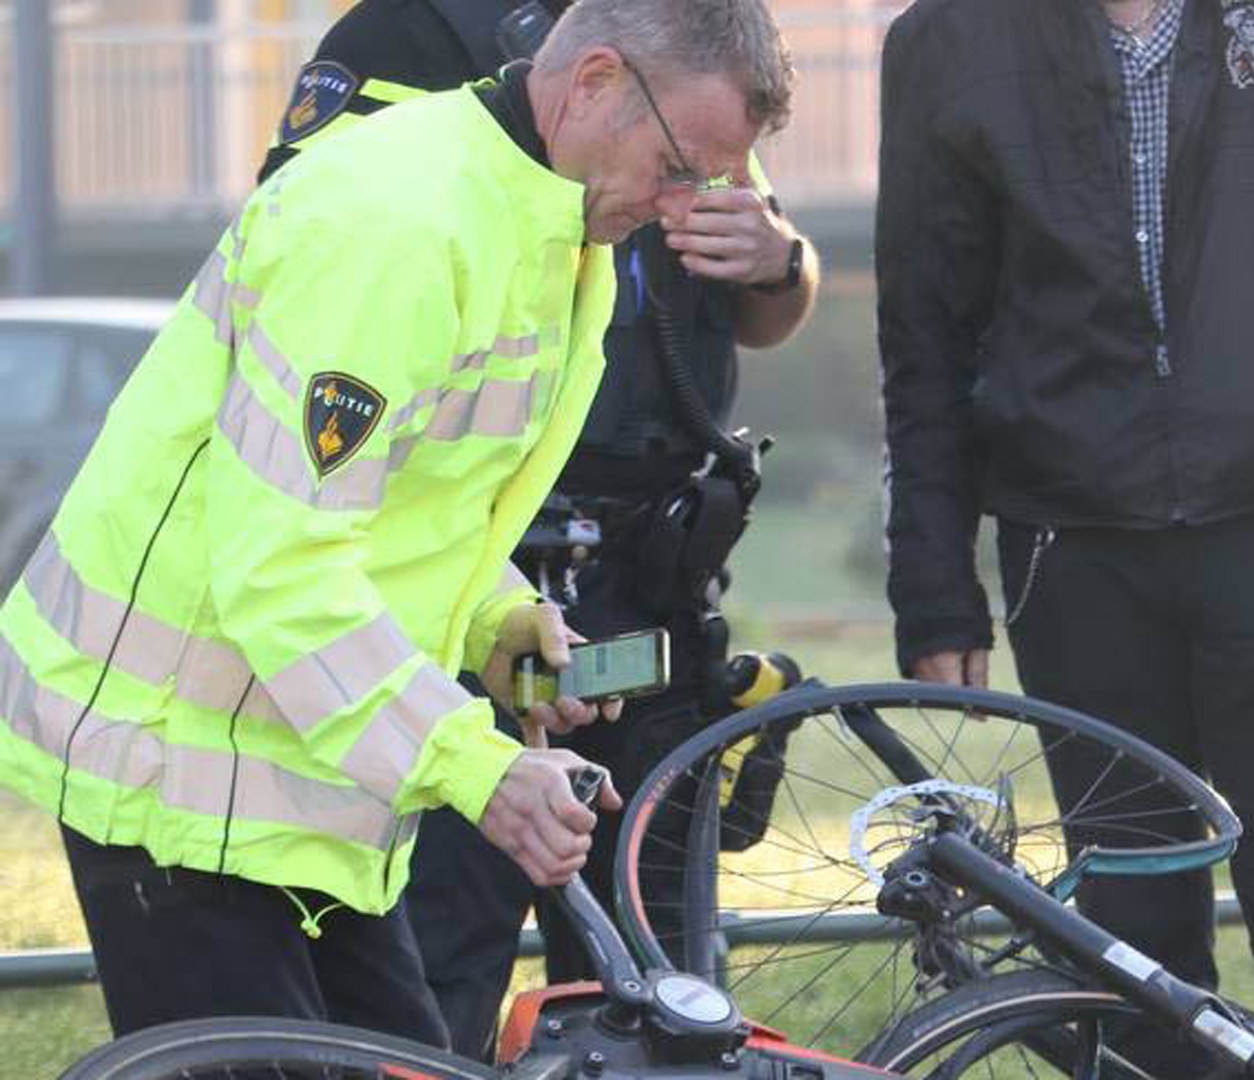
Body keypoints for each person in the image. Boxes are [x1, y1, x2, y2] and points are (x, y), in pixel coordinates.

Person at [0, 0, 790, 1045]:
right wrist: (481, 770)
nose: (686, 203)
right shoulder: (395, 227)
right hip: (172, 774)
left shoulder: (554, 215)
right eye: (683, 163)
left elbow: (427, 498)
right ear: (594, 80)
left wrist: (495, 620)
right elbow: (282, 564)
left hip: (310, 784)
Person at [874, 0, 1254, 1076]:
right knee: (1126, 947)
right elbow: (922, 327)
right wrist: (934, 579)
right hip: (1074, 550)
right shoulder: (948, 39)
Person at [256, 0, 817, 1058]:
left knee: (665, 982)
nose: (675, 187)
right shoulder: (409, 34)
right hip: (480, 569)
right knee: (437, 966)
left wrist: (780, 262)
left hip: (652, 574)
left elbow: (774, 304)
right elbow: (303, 244)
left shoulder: (693, 42)